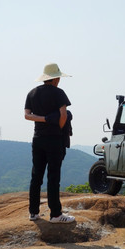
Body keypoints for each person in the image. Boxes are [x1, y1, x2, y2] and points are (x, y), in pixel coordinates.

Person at [24, 63, 75, 224]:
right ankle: (55, 214)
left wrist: (42, 120)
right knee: (53, 177)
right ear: (55, 78)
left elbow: (27, 115)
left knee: (36, 176)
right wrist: (57, 128)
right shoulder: (59, 93)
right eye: (58, 77)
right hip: (54, 139)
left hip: (37, 139)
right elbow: (63, 115)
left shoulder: (32, 93)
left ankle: (33, 212)